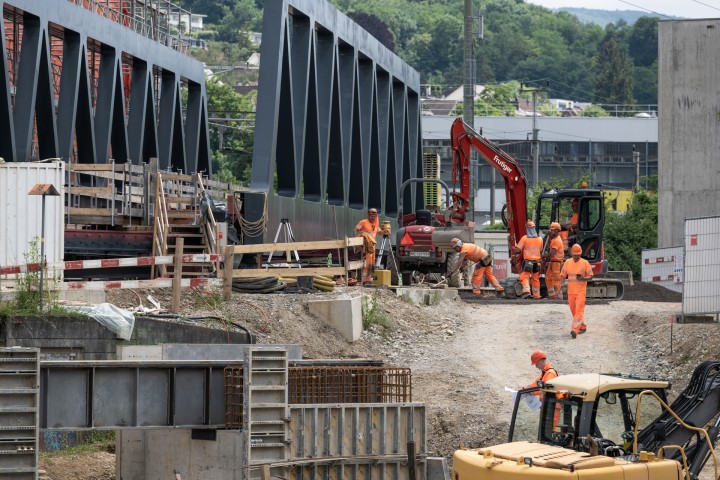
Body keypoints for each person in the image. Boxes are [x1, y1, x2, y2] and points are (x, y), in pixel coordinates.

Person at [561, 243, 594, 338]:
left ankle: (575, 330)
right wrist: (561, 285)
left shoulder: (585, 263)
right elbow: (563, 275)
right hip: (571, 291)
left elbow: (591, 276)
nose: (576, 257)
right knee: (574, 312)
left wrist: (583, 278)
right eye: (575, 255)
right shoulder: (567, 262)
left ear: (580, 254)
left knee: (579, 311)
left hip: (580, 292)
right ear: (572, 254)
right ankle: (582, 326)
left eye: (578, 255)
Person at [514, 220, 543, 299]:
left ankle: (526, 291)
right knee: (535, 278)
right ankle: (537, 295)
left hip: (528, 262)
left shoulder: (525, 238)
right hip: (537, 262)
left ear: (527, 228)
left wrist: (515, 247)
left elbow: (517, 250)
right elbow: (540, 250)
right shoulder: (540, 239)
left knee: (524, 276)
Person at [355, 208, 380, 284]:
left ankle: (369, 278)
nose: (372, 218)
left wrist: (385, 231)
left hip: (372, 247)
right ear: (368, 215)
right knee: (368, 262)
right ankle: (364, 279)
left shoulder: (375, 224)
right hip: (366, 246)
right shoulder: (363, 222)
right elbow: (356, 229)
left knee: (372, 263)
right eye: (371, 216)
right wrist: (357, 240)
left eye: (374, 216)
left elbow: (379, 231)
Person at [544, 222, 564, 300]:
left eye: (553, 230)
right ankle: (552, 295)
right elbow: (550, 246)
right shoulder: (554, 239)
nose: (551, 231)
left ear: (557, 231)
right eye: (551, 230)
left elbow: (552, 253)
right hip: (553, 262)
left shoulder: (557, 240)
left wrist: (544, 257)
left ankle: (559, 297)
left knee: (556, 280)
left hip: (557, 263)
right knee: (548, 278)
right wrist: (549, 237)